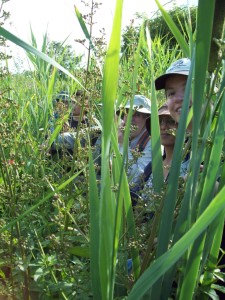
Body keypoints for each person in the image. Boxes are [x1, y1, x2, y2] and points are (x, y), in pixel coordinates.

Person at [118, 95, 152, 186]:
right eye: (127, 113)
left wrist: (123, 145)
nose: (130, 119)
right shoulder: (120, 134)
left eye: (137, 115)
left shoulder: (151, 143)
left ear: (147, 120)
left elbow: (136, 178)